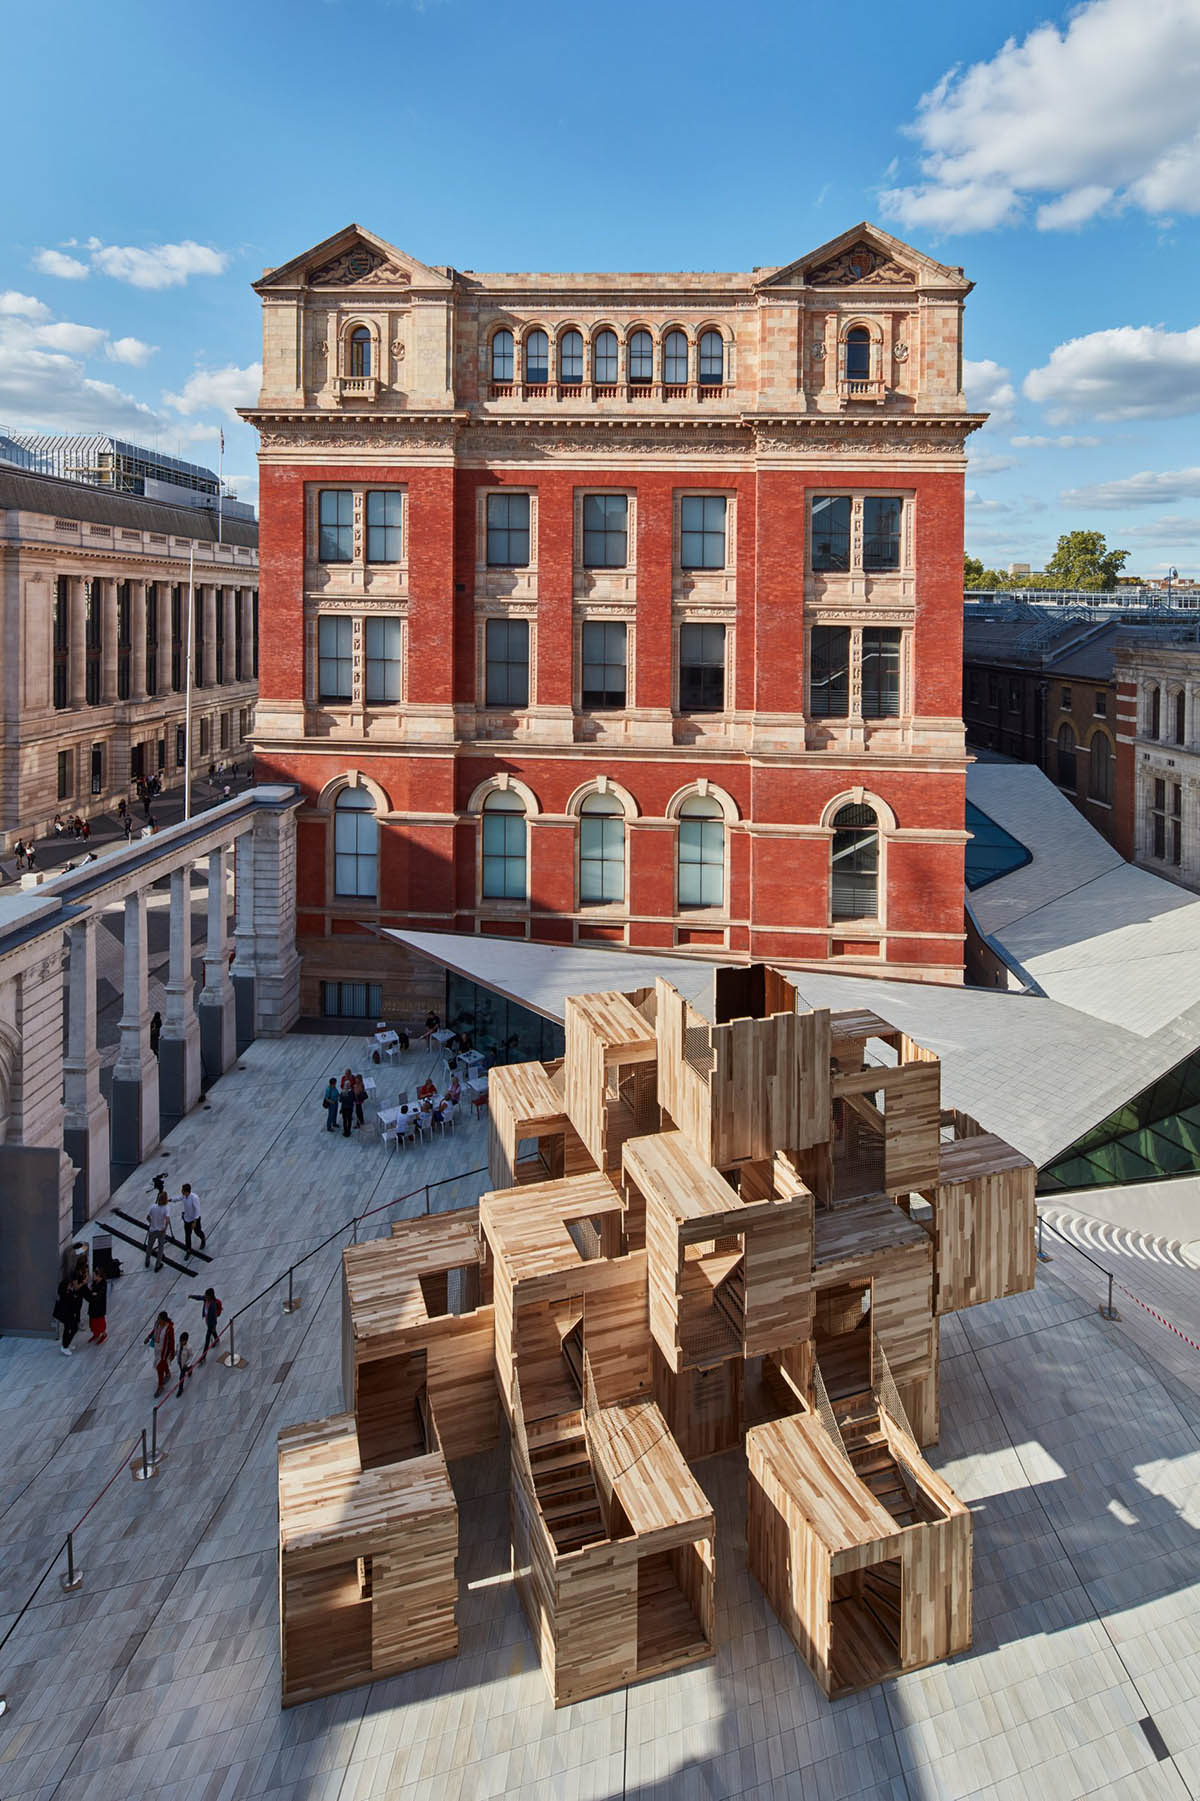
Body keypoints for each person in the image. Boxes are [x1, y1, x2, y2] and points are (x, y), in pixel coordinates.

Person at [53, 1274, 84, 1356]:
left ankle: (66, 1344)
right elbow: (71, 1303)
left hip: (67, 1314)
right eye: (69, 1285)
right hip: (65, 1315)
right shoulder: (65, 1295)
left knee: (68, 1329)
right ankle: (65, 1346)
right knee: (73, 1328)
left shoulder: (67, 1292)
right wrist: (75, 1298)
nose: (70, 1286)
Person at [146, 1311, 175, 1394]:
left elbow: (172, 1341)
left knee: (159, 1367)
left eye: (160, 1319)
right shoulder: (157, 1324)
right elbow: (154, 1330)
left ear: (164, 1320)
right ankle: (168, 1373)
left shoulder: (169, 1329)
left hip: (164, 1350)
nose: (158, 1321)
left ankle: (160, 1385)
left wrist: (172, 1352)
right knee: (162, 1363)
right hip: (157, 1348)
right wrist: (149, 1337)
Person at [191, 1287, 222, 1361]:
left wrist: (214, 1325)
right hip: (207, 1321)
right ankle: (216, 1339)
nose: (205, 1296)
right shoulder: (206, 1299)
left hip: (211, 1323)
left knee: (207, 1339)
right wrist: (192, 1296)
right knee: (213, 1332)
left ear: (210, 1296)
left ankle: (203, 1356)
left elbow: (214, 1316)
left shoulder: (213, 1304)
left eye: (207, 1295)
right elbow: (199, 1297)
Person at [145, 1187, 170, 1271]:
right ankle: (157, 1265)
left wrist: (151, 1223)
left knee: (149, 1246)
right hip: (161, 1231)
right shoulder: (166, 1208)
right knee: (160, 1248)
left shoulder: (153, 1207)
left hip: (152, 1230)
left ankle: (147, 1261)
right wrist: (165, 1228)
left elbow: (147, 1217)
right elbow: (167, 1220)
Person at [179, 1183, 206, 1255]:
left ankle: (203, 1238)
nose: (181, 1191)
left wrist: (194, 1222)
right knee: (187, 1235)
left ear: (186, 1191)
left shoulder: (194, 1198)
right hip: (187, 1219)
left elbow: (197, 1210)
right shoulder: (184, 1196)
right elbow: (179, 1198)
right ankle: (188, 1250)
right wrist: (171, 1200)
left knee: (197, 1231)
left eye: (182, 1190)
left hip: (194, 1219)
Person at [86, 1271, 108, 1344]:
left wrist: (94, 1293)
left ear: (99, 1276)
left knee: (99, 1321)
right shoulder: (95, 1282)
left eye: (95, 1275)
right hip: (93, 1305)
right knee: (93, 1321)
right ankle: (96, 1334)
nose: (93, 1277)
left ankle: (103, 1334)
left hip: (99, 1306)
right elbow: (92, 1291)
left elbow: (99, 1294)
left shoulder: (103, 1284)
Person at [175, 1331, 194, 1397]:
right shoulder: (178, 1345)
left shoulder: (189, 1347)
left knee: (181, 1377)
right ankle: (189, 1370)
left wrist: (187, 1363)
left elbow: (191, 1356)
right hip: (180, 1363)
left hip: (185, 1364)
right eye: (180, 1341)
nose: (181, 1342)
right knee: (183, 1372)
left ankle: (180, 1389)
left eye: (182, 1341)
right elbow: (177, 1352)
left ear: (185, 1341)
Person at [339, 1073, 355, 1138]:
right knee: (349, 1120)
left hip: (344, 1108)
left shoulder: (343, 1092)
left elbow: (340, 1100)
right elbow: (353, 1099)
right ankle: (349, 1131)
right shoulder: (351, 1092)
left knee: (345, 1120)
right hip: (350, 1108)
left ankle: (345, 1131)